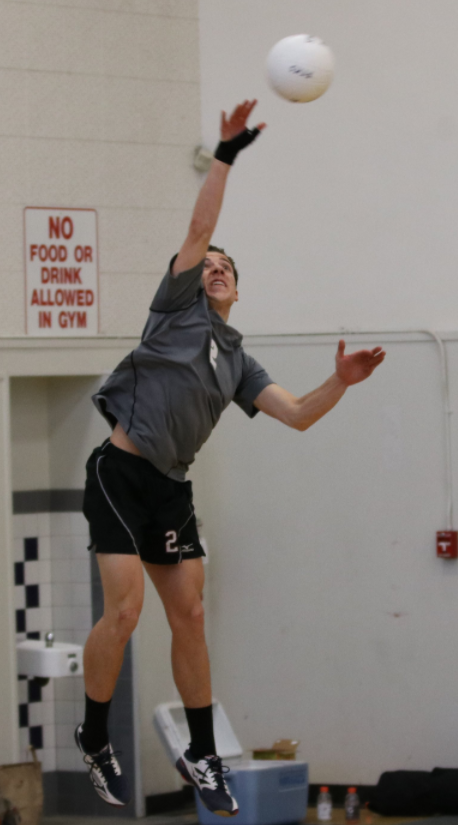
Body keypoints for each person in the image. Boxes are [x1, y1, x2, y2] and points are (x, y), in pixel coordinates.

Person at [74, 100, 385, 814]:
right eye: (206, 264)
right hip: (119, 471)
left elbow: (299, 415)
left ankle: (204, 753)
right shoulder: (175, 309)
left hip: (171, 487)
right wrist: (227, 152)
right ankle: (94, 735)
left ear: (238, 289)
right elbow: (199, 226)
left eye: (224, 268)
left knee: (191, 613)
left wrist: (341, 379)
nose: (213, 266)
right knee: (123, 613)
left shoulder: (239, 359)